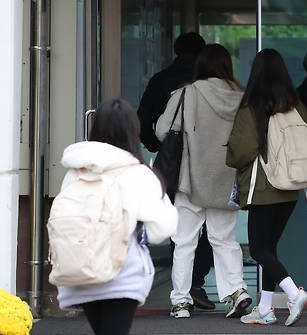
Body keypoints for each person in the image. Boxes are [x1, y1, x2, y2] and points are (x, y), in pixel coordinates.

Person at [56, 98, 178, 335]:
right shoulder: (138, 173)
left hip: (80, 274)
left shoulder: (75, 170)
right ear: (132, 131)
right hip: (122, 274)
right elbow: (162, 229)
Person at [156, 44, 252, 319]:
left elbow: (164, 129)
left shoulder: (187, 93)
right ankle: (237, 291)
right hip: (225, 179)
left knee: (185, 241)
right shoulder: (242, 97)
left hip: (190, 180)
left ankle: (182, 301)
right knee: (224, 240)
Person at [227, 48, 307, 327]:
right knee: (270, 249)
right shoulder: (295, 103)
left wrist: (230, 154)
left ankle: (294, 294)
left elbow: (242, 151)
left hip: (264, 188)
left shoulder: (252, 106)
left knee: (259, 250)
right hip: (290, 188)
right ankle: (265, 309)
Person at [136, 31, 215, 310]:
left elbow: (145, 119)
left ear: (176, 51)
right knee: (210, 226)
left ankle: (183, 286)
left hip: (174, 162)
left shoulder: (161, 80)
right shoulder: (210, 83)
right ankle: (196, 282)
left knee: (180, 227)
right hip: (209, 162)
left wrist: (156, 146)